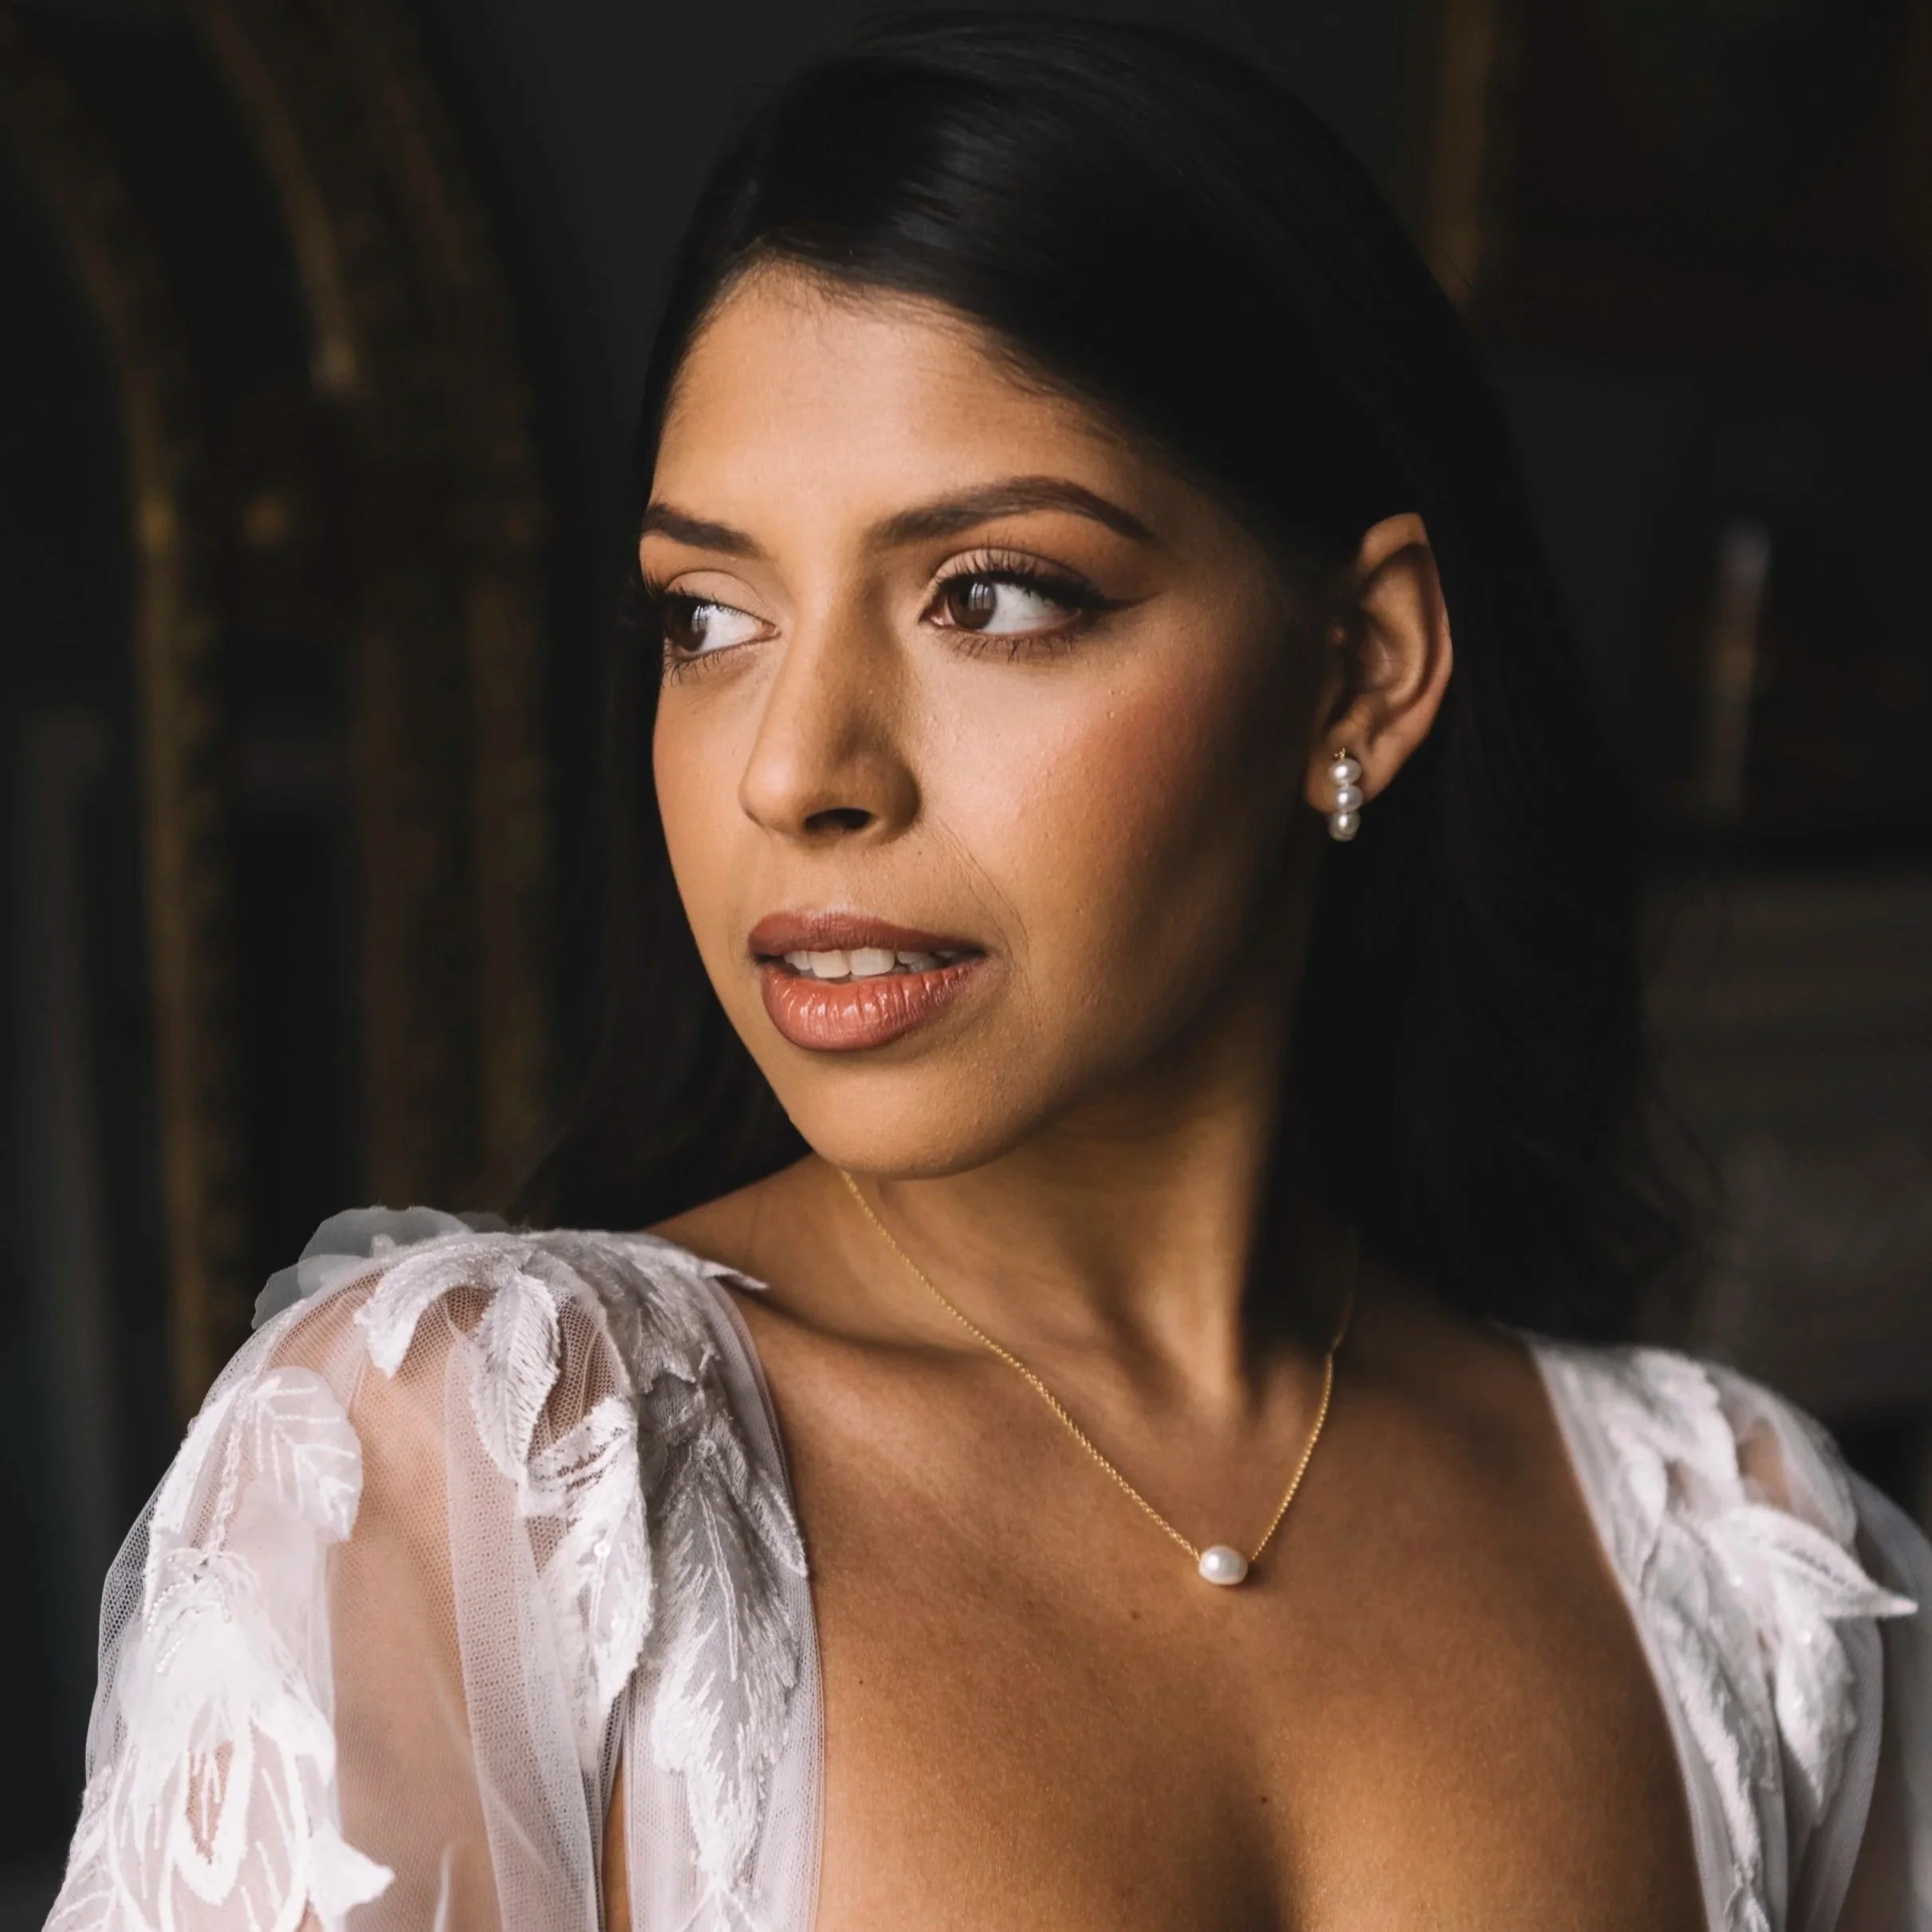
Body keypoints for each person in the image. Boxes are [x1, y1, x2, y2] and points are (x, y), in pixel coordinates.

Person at [48, 16, 1932, 1930]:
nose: (793, 768)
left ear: (1360, 666)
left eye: (990, 595)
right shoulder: (481, 1482)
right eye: (709, 616)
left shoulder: (1746, 1564)